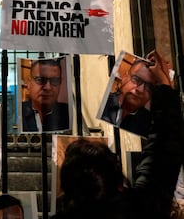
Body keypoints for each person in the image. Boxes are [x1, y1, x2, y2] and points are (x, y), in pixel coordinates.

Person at [51, 50, 184, 219]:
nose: (139, 89)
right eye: (136, 79)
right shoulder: (140, 209)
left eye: (148, 85)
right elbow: (163, 158)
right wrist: (165, 86)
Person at [100, 51, 173, 137]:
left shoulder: (146, 124)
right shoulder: (104, 103)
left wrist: (166, 82)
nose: (140, 90)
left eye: (149, 87)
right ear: (125, 77)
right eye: (136, 79)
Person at [21, 58, 70, 132]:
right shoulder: (16, 113)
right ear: (29, 83)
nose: (48, 87)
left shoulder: (69, 114)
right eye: (40, 80)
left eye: (55, 81)